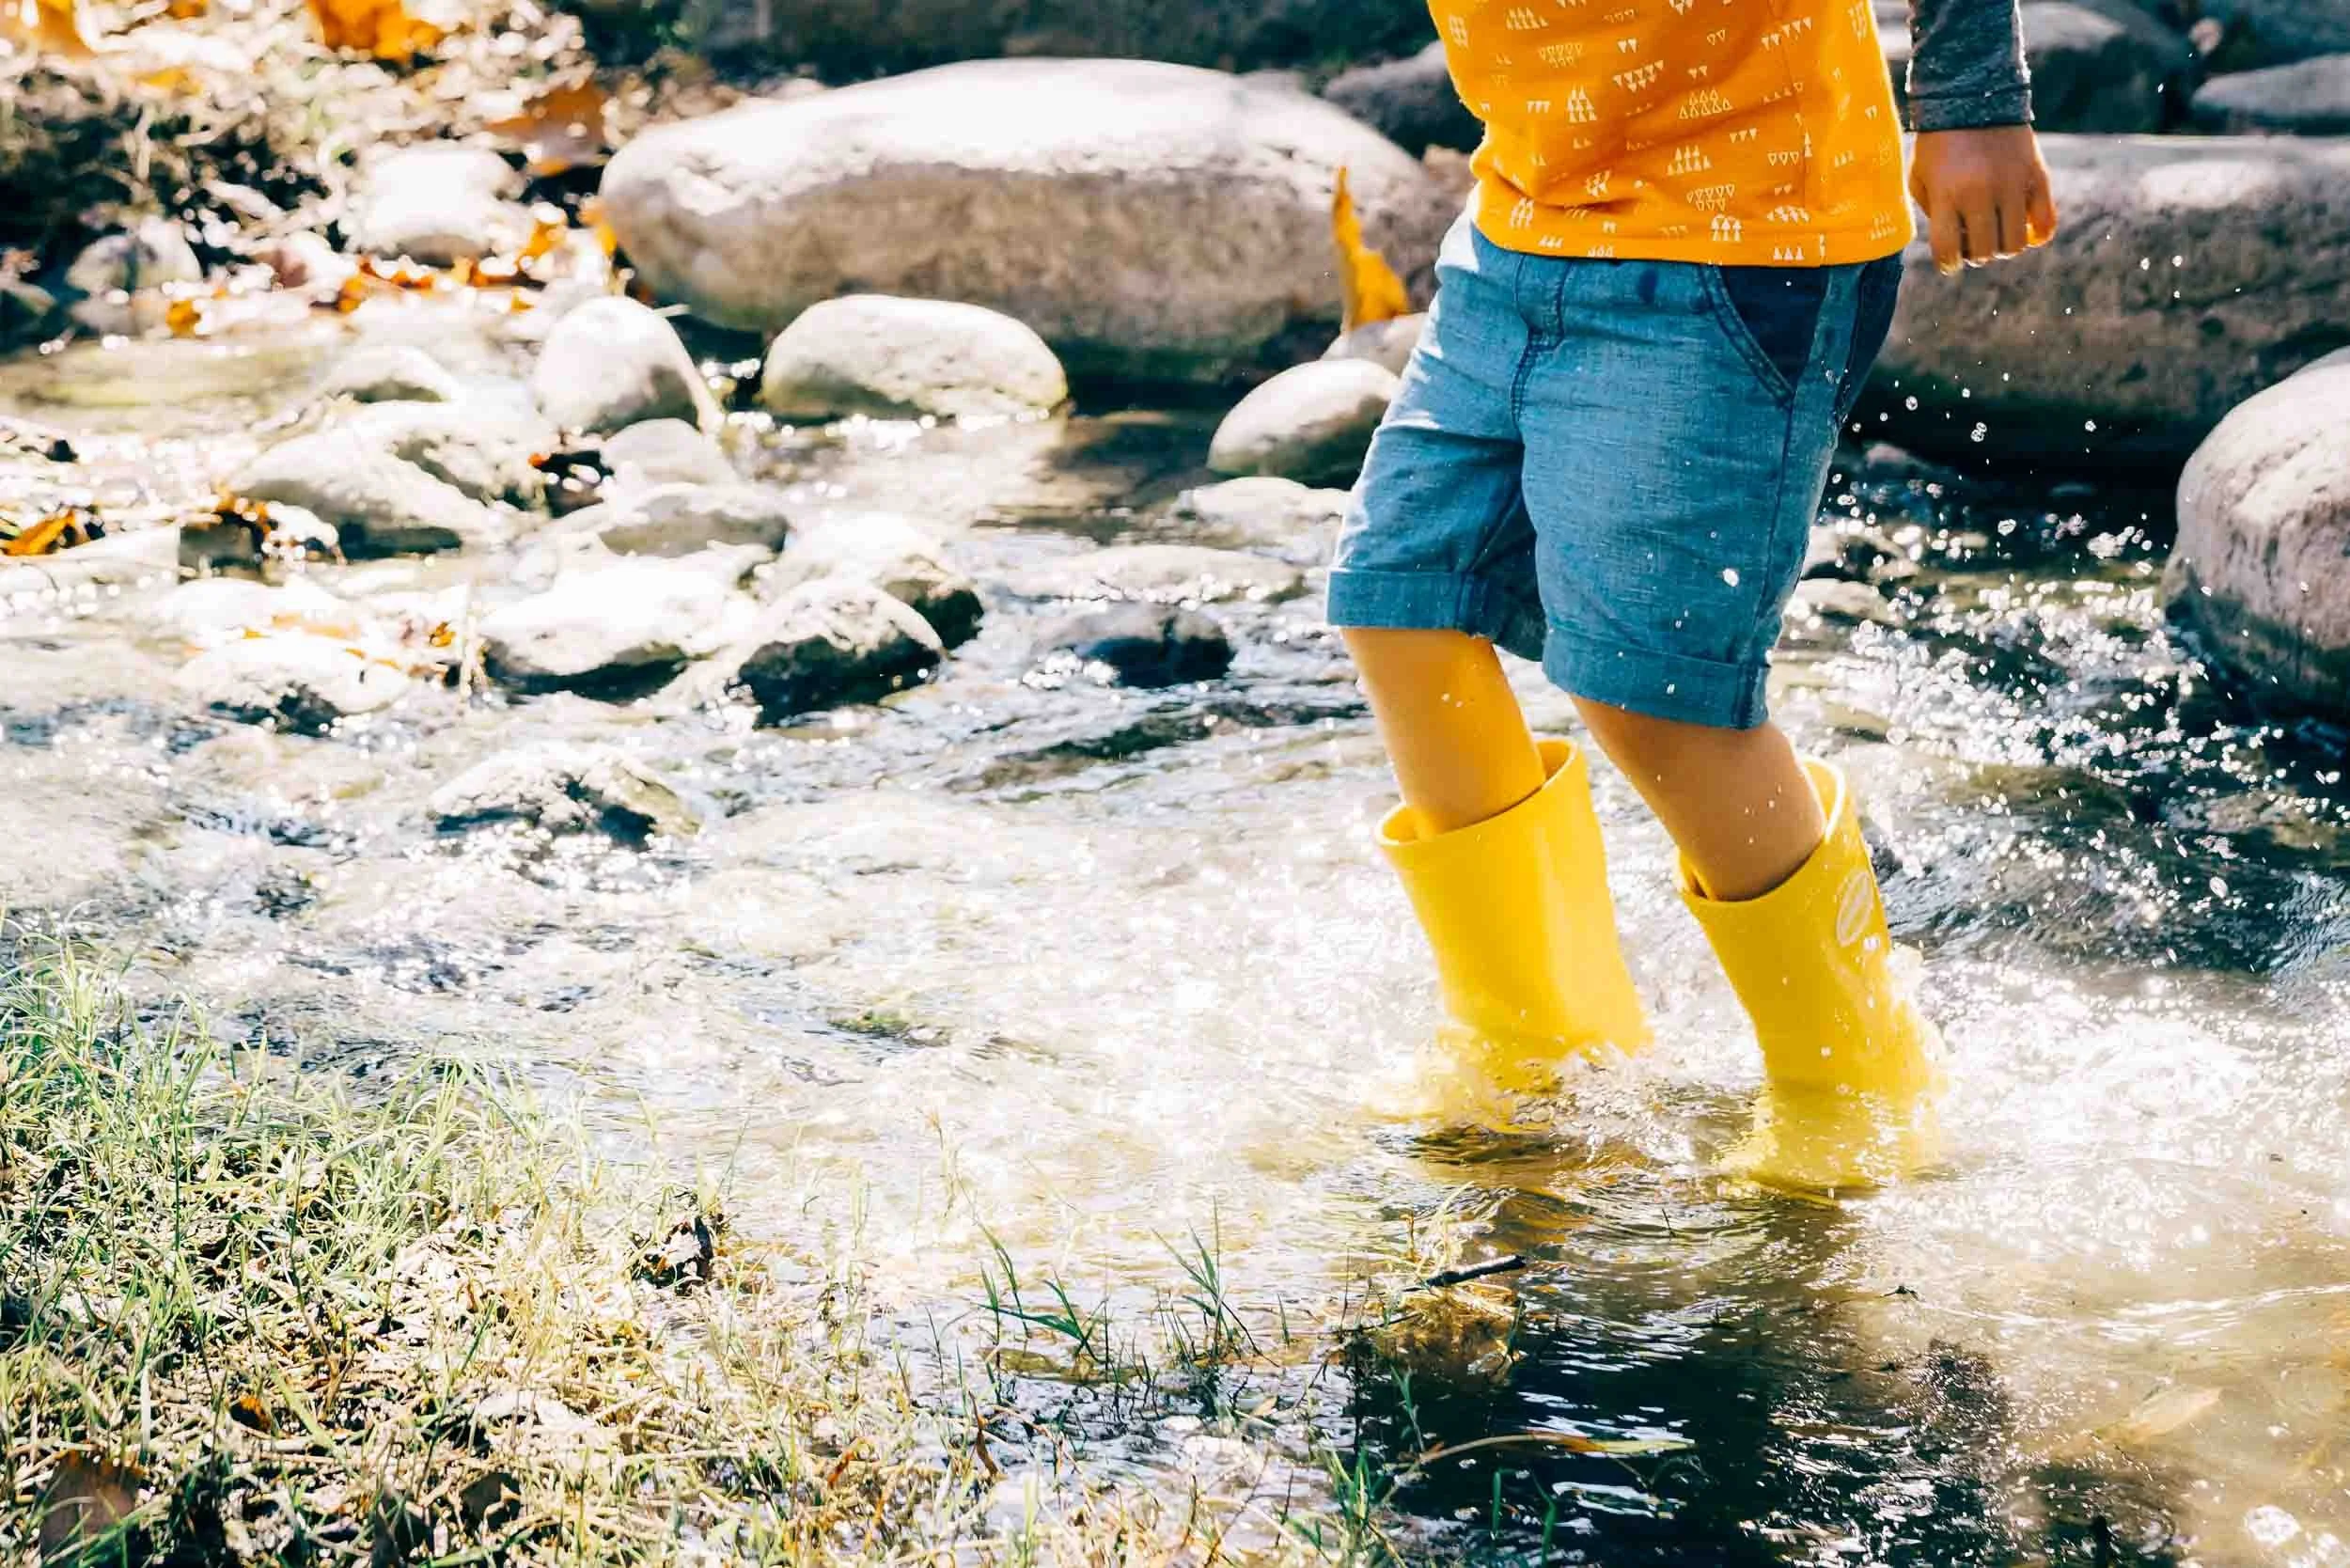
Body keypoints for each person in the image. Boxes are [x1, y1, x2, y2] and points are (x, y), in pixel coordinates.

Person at [1330, 0, 2054, 1187]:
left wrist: (1971, 101)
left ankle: (1857, 1086)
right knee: (1401, 601)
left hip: (1742, 243)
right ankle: (1540, 1057)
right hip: (1523, 223)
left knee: (1656, 693)